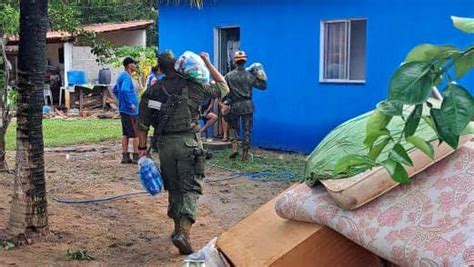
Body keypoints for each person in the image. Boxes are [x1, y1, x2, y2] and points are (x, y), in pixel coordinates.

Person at [136, 50, 229, 255]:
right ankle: (183, 232)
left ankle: (177, 228)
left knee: (174, 187)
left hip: (165, 147)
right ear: (179, 66)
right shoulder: (195, 86)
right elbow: (223, 87)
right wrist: (208, 61)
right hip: (189, 143)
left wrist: (142, 150)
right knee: (190, 188)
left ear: (159, 69)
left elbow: (142, 123)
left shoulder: (153, 91)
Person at [224, 50, 267, 160]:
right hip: (247, 105)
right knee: (247, 130)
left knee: (233, 127)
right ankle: (245, 155)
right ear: (245, 61)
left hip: (234, 105)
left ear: (235, 61)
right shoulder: (249, 75)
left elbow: (224, 91)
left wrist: (226, 102)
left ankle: (234, 147)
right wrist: (260, 76)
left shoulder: (228, 76)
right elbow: (263, 86)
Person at [113, 57, 140, 164]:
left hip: (123, 109)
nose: (136, 66)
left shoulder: (121, 76)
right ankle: (136, 156)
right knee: (135, 134)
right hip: (130, 111)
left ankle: (125, 156)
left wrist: (122, 101)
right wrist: (130, 104)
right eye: (134, 64)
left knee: (125, 133)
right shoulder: (127, 77)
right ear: (129, 65)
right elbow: (123, 90)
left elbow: (115, 90)